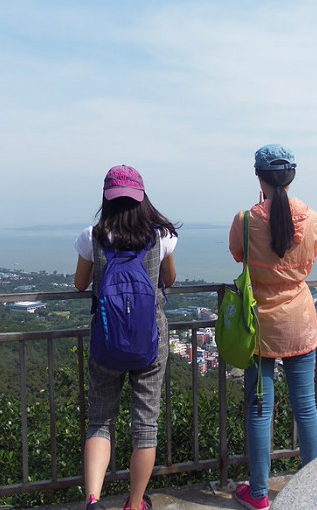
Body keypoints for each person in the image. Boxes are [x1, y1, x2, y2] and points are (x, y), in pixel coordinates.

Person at [74, 165, 178, 510]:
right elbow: (170, 279)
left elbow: (80, 283)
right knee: (144, 425)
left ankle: (93, 499)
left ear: (107, 199)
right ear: (141, 198)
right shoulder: (160, 235)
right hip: (150, 341)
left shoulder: (93, 236)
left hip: (107, 341)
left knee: (100, 419)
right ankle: (135, 504)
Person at [228, 144, 317, 510]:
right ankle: (313, 488)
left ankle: (259, 493)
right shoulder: (313, 219)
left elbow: (239, 255)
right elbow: (310, 259)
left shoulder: (245, 221)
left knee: (259, 410)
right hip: (300, 322)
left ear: (259, 177)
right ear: (292, 176)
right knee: (306, 408)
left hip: (259, 327)